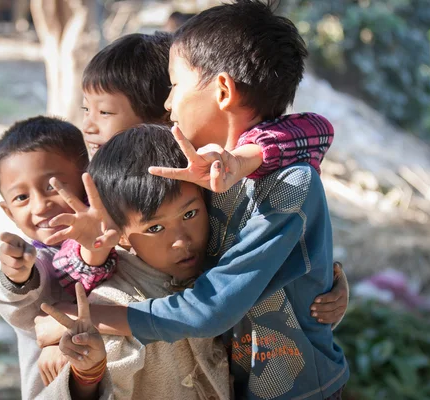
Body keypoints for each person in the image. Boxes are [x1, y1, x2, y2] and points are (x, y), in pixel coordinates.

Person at [47, 1, 349, 399]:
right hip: (234, 380)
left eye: (175, 86)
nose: (169, 104)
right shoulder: (196, 178)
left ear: (223, 90)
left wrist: (82, 318)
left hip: (301, 389)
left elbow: (210, 309)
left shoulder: (288, 183)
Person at [40, 126, 232, 399]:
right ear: (121, 236)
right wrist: (88, 376)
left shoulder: (223, 259)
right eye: (155, 228)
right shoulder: (115, 303)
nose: (181, 241)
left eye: (190, 214)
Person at [0, 116, 117, 399]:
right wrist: (17, 275)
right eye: (21, 197)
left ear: (88, 182)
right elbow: (21, 308)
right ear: (8, 212)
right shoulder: (38, 260)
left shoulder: (118, 237)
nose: (40, 205)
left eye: (52, 186)